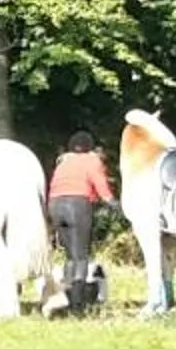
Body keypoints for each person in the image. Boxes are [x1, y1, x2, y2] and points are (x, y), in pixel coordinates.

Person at [47, 129, 114, 312]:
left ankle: (67, 298)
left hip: (55, 204)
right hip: (77, 204)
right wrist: (113, 203)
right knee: (81, 256)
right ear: (89, 147)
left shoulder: (63, 161)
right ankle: (78, 304)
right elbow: (101, 186)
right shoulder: (91, 160)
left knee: (70, 256)